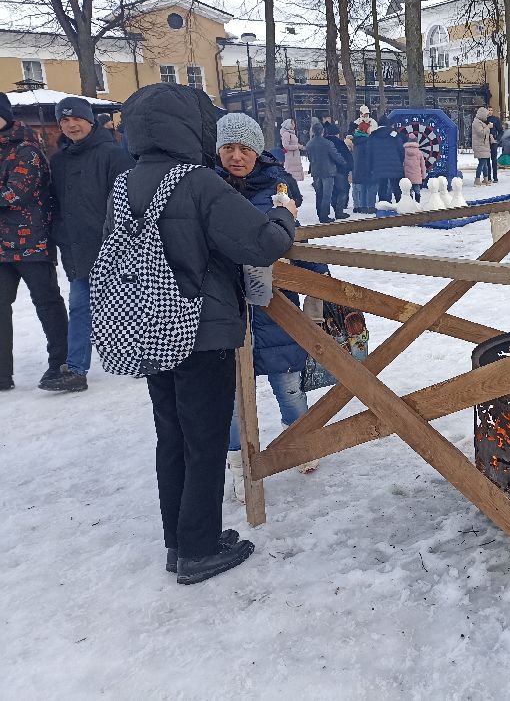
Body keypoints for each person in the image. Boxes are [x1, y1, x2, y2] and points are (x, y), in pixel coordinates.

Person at [109, 83, 297, 584]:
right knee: (206, 440)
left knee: (170, 436)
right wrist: (282, 213)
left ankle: (179, 541)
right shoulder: (196, 182)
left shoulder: (126, 183)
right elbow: (263, 242)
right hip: (200, 329)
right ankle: (198, 549)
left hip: (147, 326)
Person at [215, 113, 322, 500]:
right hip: (224, 307)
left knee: (289, 383)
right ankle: (239, 464)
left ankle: (302, 443)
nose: (237, 156)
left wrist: (317, 279)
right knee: (228, 396)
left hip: (275, 304)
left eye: (245, 148)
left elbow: (294, 236)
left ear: (258, 150)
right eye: (228, 147)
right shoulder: (206, 184)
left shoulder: (279, 186)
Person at [47, 95, 134, 392]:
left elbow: (127, 203)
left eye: (77, 119)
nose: (71, 125)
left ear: (90, 120)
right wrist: (61, 236)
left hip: (112, 248)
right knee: (80, 307)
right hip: (77, 249)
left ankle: (140, 354)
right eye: (65, 120)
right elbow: (55, 204)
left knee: (126, 306)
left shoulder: (112, 155)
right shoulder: (58, 161)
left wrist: (123, 243)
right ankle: (75, 369)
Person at [0, 93, 68, 392]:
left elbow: (15, 194)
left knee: (47, 303)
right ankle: (2, 375)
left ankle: (61, 362)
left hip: (32, 243)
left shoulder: (26, 150)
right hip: (1, 246)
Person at [306, 121, 338, 223]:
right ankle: (325, 216)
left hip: (316, 171)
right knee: (326, 195)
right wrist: (343, 163)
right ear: (322, 131)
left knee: (318, 194)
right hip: (328, 171)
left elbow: (310, 158)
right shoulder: (328, 143)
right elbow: (335, 156)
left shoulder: (309, 144)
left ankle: (320, 213)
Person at [368, 124, 405, 202]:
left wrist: (371, 167)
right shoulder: (395, 136)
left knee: (382, 187)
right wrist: (399, 162)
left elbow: (369, 154)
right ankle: (400, 204)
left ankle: (383, 205)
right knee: (396, 187)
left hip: (379, 167)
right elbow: (401, 151)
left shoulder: (373, 136)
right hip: (395, 165)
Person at [325, 129, 353, 219]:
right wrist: (348, 167)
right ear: (336, 134)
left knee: (334, 191)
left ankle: (335, 208)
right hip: (340, 170)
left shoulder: (324, 142)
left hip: (327, 171)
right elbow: (346, 156)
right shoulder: (339, 142)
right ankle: (339, 211)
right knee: (343, 190)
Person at [351, 123, 375, 213]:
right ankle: (365, 206)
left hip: (356, 166)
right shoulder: (367, 141)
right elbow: (369, 156)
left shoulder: (356, 140)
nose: (370, 130)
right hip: (365, 167)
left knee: (358, 187)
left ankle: (358, 206)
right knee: (366, 188)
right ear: (365, 130)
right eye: (369, 129)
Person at [472, 106, 493, 186]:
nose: (487, 117)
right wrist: (488, 127)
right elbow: (481, 133)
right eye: (486, 115)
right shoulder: (477, 122)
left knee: (484, 164)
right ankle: (477, 180)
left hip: (483, 146)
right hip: (480, 146)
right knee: (482, 163)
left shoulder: (481, 122)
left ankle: (485, 179)